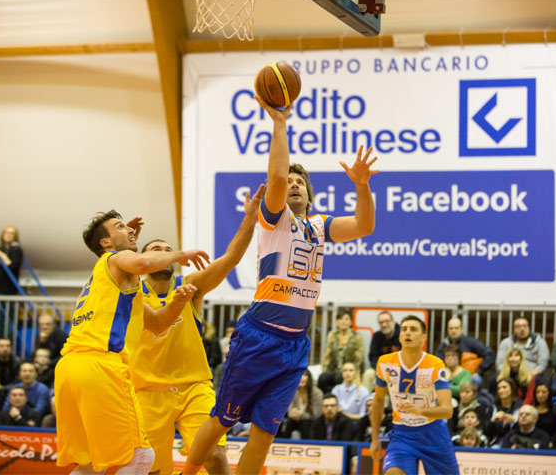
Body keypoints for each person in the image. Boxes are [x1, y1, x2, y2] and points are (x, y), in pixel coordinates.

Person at [183, 95, 378, 475]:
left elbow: (364, 225)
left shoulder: (319, 225)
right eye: (288, 181)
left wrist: (362, 186)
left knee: (264, 434)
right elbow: (274, 178)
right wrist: (279, 122)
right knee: (223, 420)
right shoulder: (275, 219)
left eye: (299, 181)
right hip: (260, 335)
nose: (292, 184)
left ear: (309, 193)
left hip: (295, 345)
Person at [55, 209, 208, 474]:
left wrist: (177, 302)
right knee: (140, 457)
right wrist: (181, 255)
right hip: (101, 366)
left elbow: (157, 324)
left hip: (70, 369)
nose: (128, 229)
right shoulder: (114, 257)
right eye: (120, 226)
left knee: (91, 464)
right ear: (105, 242)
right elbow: (142, 262)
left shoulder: (107, 279)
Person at [129, 184, 264, 475]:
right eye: (156, 250)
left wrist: (250, 219)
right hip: (148, 392)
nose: (164, 253)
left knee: (214, 456)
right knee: (153, 469)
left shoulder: (190, 286)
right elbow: (113, 266)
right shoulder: (130, 291)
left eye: (168, 250)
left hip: (194, 387)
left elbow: (230, 259)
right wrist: (126, 245)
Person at [370, 315, 459, 475]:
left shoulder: (435, 365)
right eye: (404, 329)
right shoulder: (384, 363)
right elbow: (378, 401)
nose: (407, 333)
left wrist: (420, 410)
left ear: (423, 337)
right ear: (400, 337)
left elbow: (447, 410)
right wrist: (375, 438)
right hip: (402, 434)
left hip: (433, 435)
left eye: (413, 329)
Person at [436, 317, 495, 385]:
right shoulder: (443, 346)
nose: (453, 331)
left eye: (456, 328)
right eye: (451, 328)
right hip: (449, 375)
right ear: (447, 330)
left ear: (461, 329)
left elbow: (490, 354)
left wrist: (479, 371)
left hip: (469, 376)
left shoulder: (471, 342)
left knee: (476, 379)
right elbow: (438, 362)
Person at [318, 310, 366, 394]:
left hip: (350, 370)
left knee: (339, 378)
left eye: (346, 319)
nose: (343, 321)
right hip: (333, 370)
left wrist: (351, 371)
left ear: (351, 322)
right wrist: (324, 370)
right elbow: (327, 355)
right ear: (337, 322)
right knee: (323, 378)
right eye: (340, 319)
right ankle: (328, 398)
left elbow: (359, 358)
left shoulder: (357, 336)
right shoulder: (332, 335)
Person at [281, 369, 323, 439]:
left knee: (304, 423)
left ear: (309, 377)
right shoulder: (294, 391)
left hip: (311, 422)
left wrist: (301, 415)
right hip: (296, 420)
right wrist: (293, 413)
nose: (301, 378)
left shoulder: (317, 393)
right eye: (299, 375)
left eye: (304, 375)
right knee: (289, 422)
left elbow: (317, 414)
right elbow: (290, 410)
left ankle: (307, 444)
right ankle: (282, 442)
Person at [0, 225, 23, 295]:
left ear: (15, 236)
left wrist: (2, 255)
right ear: (3, 234)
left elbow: (13, 267)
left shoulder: (17, 250)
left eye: (12, 233)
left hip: (9, 289)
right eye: (6, 232)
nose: (8, 235)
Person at [367, 311, 401, 386]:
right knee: (368, 373)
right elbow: (373, 357)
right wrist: (383, 370)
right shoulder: (377, 336)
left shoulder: (402, 334)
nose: (384, 324)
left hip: (400, 369)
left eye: (387, 321)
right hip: (382, 369)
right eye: (381, 322)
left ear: (393, 322)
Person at [486, 378, 523, 445]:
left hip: (516, 442)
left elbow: (524, 429)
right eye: (499, 388)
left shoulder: (519, 407)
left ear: (512, 389)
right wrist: (493, 420)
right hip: (497, 441)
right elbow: (486, 432)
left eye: (504, 387)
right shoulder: (493, 407)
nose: (501, 390)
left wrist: (514, 421)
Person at [532, 382, 556, 449]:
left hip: (551, 444)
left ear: (549, 393)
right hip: (532, 442)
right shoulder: (530, 410)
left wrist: (551, 442)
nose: (540, 395)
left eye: (543, 392)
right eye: (537, 392)